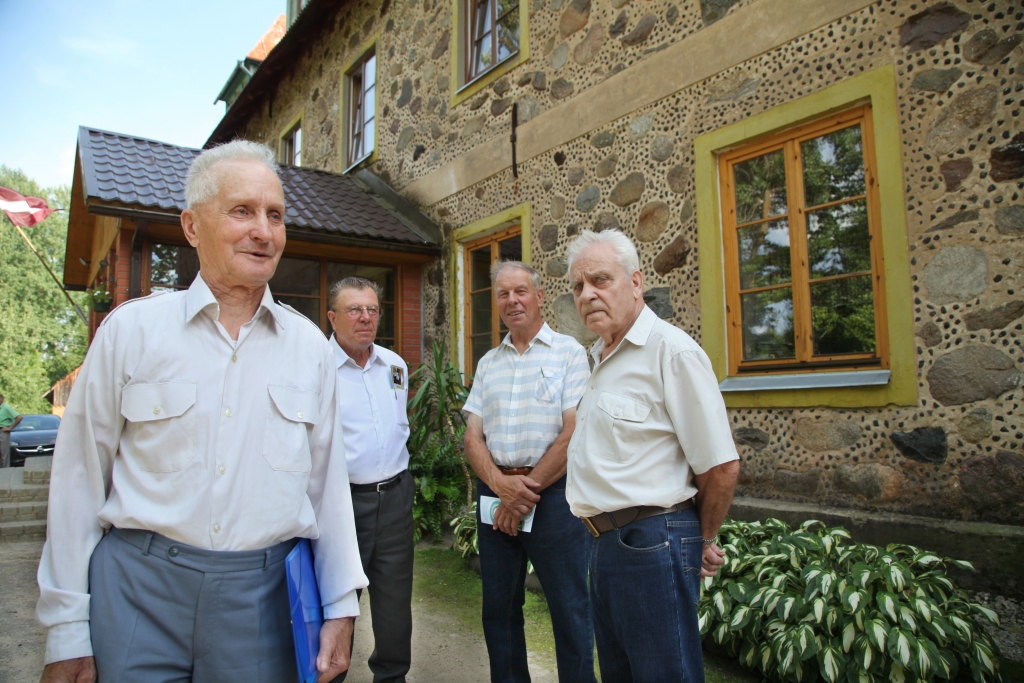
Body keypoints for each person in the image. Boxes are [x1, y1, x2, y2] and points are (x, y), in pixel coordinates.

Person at [36, 140, 367, 683]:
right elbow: (77, 480)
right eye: (242, 211)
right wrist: (68, 630)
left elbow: (327, 488)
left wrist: (340, 604)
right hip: (135, 594)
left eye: (276, 215)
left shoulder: (310, 348)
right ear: (192, 226)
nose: (264, 231)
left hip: (261, 605)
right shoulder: (129, 331)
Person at [565, 229, 740, 683]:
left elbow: (721, 466)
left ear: (636, 281)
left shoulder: (671, 350)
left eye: (600, 280)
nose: (588, 294)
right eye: (578, 286)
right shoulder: (600, 357)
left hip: (651, 543)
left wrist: (700, 540)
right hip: (603, 545)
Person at [463, 261, 597, 683]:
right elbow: (472, 437)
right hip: (495, 494)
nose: (512, 301)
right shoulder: (488, 363)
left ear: (539, 297)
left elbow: (574, 431)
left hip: (554, 498)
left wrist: (522, 493)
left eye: (520, 291)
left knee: (570, 609)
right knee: (498, 610)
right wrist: (501, 487)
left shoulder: (570, 353)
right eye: (503, 294)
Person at [327, 276, 414, 683]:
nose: (365, 317)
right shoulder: (317, 369)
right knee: (337, 605)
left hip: (395, 499)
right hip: (342, 505)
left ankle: (392, 676)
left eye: (372, 309)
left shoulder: (395, 366)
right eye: (354, 310)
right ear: (332, 317)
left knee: (395, 606)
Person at [0, 392, 23, 468]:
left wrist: (11, 427)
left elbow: (19, 417)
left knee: (4, 453)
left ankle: (6, 470)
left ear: (1, 399)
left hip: (2, 431)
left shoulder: (6, 407)